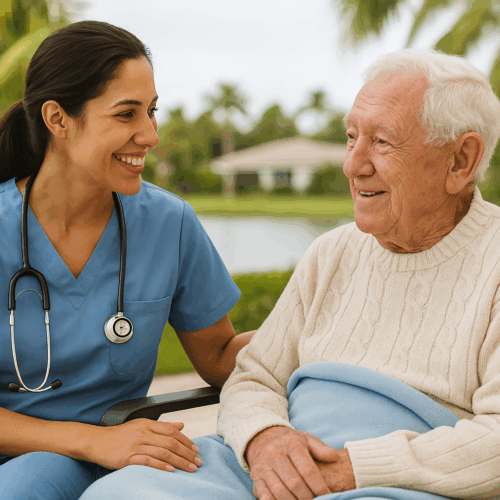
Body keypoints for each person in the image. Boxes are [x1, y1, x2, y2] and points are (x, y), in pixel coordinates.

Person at [80, 49, 500, 499]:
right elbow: (253, 376)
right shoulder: (332, 252)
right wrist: (265, 438)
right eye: (351, 137)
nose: (353, 165)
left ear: (461, 160)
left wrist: (352, 469)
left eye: (382, 142)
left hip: (399, 483)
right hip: (268, 469)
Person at [0, 20, 254, 499]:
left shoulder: (167, 222)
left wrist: (317, 325)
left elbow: (219, 357)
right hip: (26, 459)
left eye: (152, 112)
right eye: (126, 115)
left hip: (124, 458)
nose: (150, 135)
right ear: (57, 119)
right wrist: (94, 442)